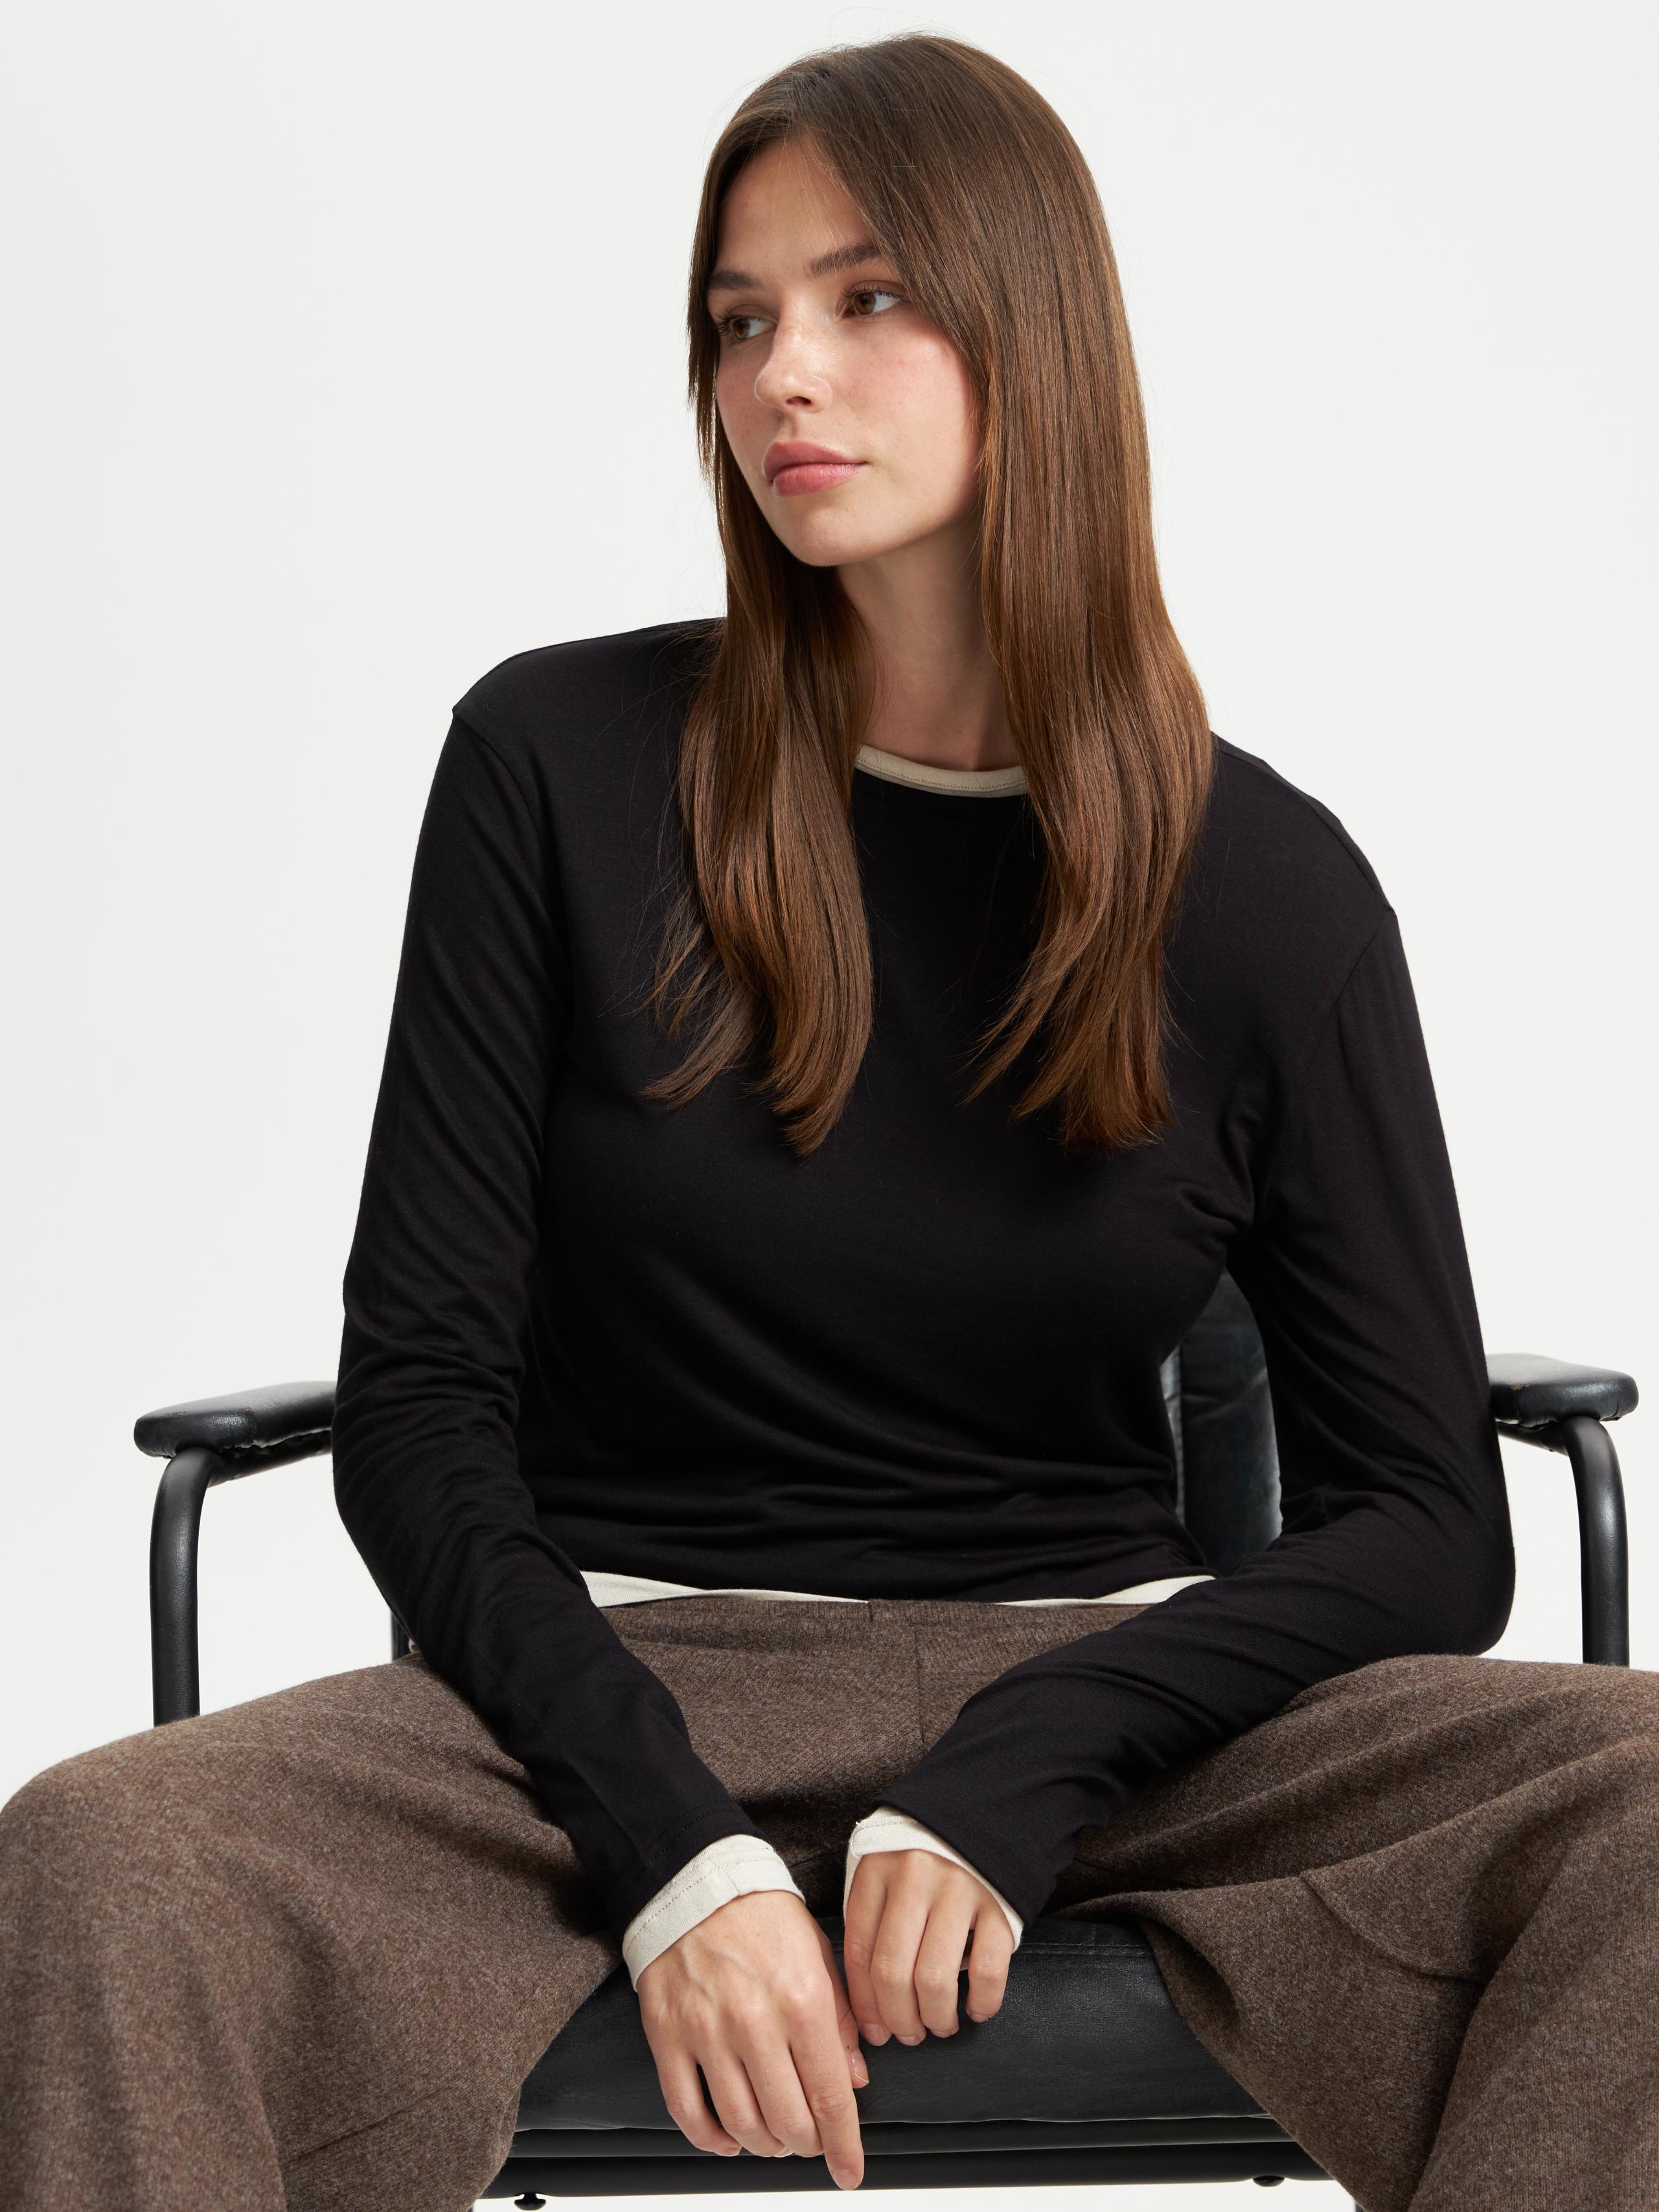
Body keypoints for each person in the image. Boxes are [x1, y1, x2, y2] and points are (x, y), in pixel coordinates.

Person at [1, 31, 1654, 2212]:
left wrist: (1033, 1752)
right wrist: (667, 1842)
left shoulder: (1266, 887)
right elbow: (419, 1407)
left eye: (868, 297)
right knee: (102, 1857)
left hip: (1104, 1707)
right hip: (598, 1684)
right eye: (737, 318)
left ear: (1031, 334)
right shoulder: (555, 766)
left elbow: (1428, 1517)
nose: (782, 371)